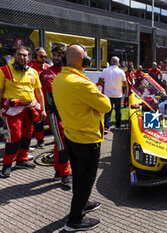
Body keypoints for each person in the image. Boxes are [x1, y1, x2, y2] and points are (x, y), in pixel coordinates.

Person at [52, 43, 111, 231]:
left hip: (71, 134)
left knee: (79, 174)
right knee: (86, 178)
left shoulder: (59, 78)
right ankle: (75, 220)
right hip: (87, 139)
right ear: (84, 61)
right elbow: (106, 106)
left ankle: (82, 202)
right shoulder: (81, 83)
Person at [0, 45, 46, 178]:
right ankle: (7, 166)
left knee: (27, 135)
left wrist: (42, 109)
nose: (22, 57)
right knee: (14, 137)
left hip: (30, 109)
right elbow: (0, 91)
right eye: (19, 54)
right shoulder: (4, 70)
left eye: (25, 55)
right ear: (14, 54)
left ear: (29, 57)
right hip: (13, 110)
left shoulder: (33, 72)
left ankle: (21, 160)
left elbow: (39, 92)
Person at [40, 44, 72, 186]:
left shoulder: (67, 71)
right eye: (54, 55)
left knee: (60, 142)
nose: (55, 58)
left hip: (67, 112)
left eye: (59, 55)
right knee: (63, 142)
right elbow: (57, 93)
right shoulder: (49, 73)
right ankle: (65, 173)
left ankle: (58, 171)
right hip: (55, 113)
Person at [28, 47, 50, 150]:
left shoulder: (47, 66)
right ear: (34, 56)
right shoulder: (29, 67)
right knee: (38, 122)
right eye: (41, 56)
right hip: (34, 100)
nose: (44, 58)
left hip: (47, 98)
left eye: (45, 56)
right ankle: (40, 141)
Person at [98, 56, 127, 133]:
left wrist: (106, 83)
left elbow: (100, 81)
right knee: (118, 110)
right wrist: (119, 84)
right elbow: (125, 84)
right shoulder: (121, 72)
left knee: (108, 110)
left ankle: (106, 127)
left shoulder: (105, 70)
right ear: (117, 62)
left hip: (108, 94)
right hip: (118, 94)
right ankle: (117, 125)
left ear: (111, 62)